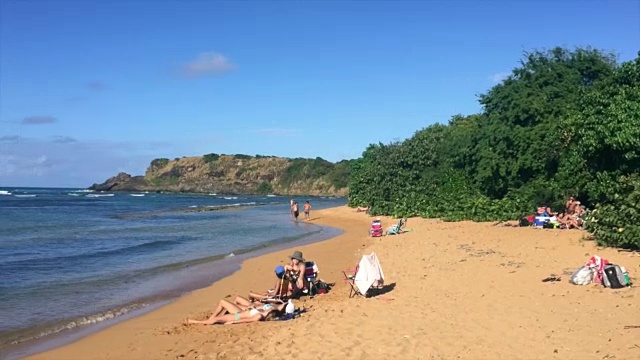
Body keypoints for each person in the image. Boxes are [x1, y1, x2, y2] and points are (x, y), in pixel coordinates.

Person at [187, 300, 285, 325]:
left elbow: (246, 320)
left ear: (269, 313)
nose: (271, 308)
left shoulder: (259, 316)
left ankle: (195, 322)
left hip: (236, 316)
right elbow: (280, 308)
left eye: (271, 310)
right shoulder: (263, 312)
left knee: (215, 320)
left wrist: (232, 322)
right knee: (222, 302)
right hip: (240, 313)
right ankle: (209, 319)